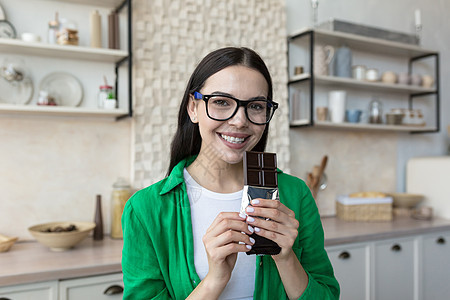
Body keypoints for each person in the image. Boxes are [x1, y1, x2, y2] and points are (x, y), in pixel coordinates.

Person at [121, 47, 339, 299]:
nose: (239, 121)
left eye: (256, 106)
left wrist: (287, 259)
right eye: (222, 102)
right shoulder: (145, 209)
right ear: (193, 107)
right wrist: (215, 280)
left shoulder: (295, 194)